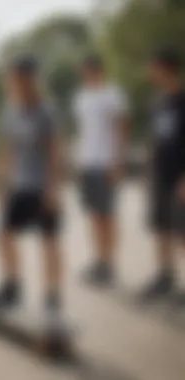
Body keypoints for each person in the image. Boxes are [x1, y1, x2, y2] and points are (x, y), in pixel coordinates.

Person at [0, 56, 65, 330]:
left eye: (15, 78)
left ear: (29, 80)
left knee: (49, 241)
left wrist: (53, 189)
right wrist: (0, 182)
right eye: (8, 79)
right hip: (20, 185)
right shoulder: (10, 110)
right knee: (3, 233)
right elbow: (9, 149)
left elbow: (55, 152)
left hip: (43, 186)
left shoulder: (46, 111)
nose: (10, 84)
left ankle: (52, 296)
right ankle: (12, 286)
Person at [72, 55, 129, 287]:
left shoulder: (112, 94)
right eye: (83, 72)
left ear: (99, 71)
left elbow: (121, 128)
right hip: (87, 162)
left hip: (106, 163)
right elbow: (83, 130)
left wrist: (118, 162)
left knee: (108, 215)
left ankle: (109, 263)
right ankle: (98, 260)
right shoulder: (81, 97)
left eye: (89, 71)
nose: (86, 75)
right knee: (94, 215)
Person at [140, 47, 185, 307]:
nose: (150, 73)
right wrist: (148, 168)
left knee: (182, 231)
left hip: (180, 176)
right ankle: (165, 276)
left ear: (167, 68)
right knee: (160, 227)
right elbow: (154, 138)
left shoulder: (182, 100)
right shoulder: (157, 101)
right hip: (159, 173)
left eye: (153, 67)